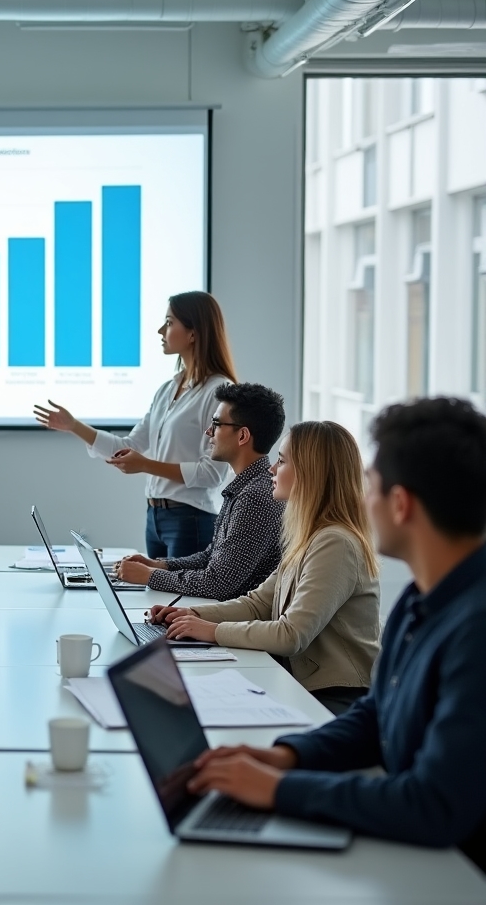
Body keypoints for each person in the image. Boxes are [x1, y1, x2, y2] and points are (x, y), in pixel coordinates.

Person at [186, 398, 486, 872]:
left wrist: (280, 790)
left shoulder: (473, 630)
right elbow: (375, 715)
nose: (364, 497)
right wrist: (286, 756)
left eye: (372, 484)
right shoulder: (421, 600)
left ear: (401, 504)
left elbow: (433, 804)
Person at [157, 420, 380, 715]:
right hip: (301, 682)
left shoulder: (335, 543)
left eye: (282, 461)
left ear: (310, 473)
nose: (272, 470)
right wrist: (192, 614)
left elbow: (291, 635)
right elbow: (258, 604)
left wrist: (211, 630)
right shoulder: (311, 535)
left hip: (338, 697)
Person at [34, 291, 237, 558]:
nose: (160, 330)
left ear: (193, 333)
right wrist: (74, 425)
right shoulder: (168, 389)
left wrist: (145, 465)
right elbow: (128, 446)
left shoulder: (219, 391)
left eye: (169, 322)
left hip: (191, 520)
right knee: (155, 599)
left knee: (181, 600)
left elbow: (212, 474)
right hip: (155, 519)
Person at [116, 382, 286, 600]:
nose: (208, 432)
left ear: (242, 436)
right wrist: (161, 565)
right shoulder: (246, 486)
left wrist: (150, 576)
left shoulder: (255, 497)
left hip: (235, 622)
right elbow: (211, 557)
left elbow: (217, 584)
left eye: (216, 424)